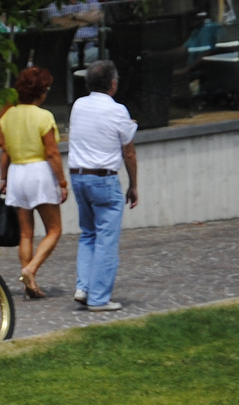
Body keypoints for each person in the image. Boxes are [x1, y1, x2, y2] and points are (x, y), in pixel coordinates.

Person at [68, 59, 138, 312]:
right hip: (103, 179)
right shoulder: (118, 110)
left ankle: (84, 287)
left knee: (88, 234)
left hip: (78, 177)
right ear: (113, 83)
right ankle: (98, 298)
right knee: (106, 239)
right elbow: (128, 152)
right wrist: (133, 185)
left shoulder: (78, 105)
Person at [0, 67, 68, 299]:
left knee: (26, 233)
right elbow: (52, 153)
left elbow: (5, 152)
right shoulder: (43, 116)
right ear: (42, 91)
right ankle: (31, 269)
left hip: (17, 172)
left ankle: (29, 284)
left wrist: (3, 179)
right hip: (39, 173)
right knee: (54, 229)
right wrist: (62, 182)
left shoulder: (8, 116)